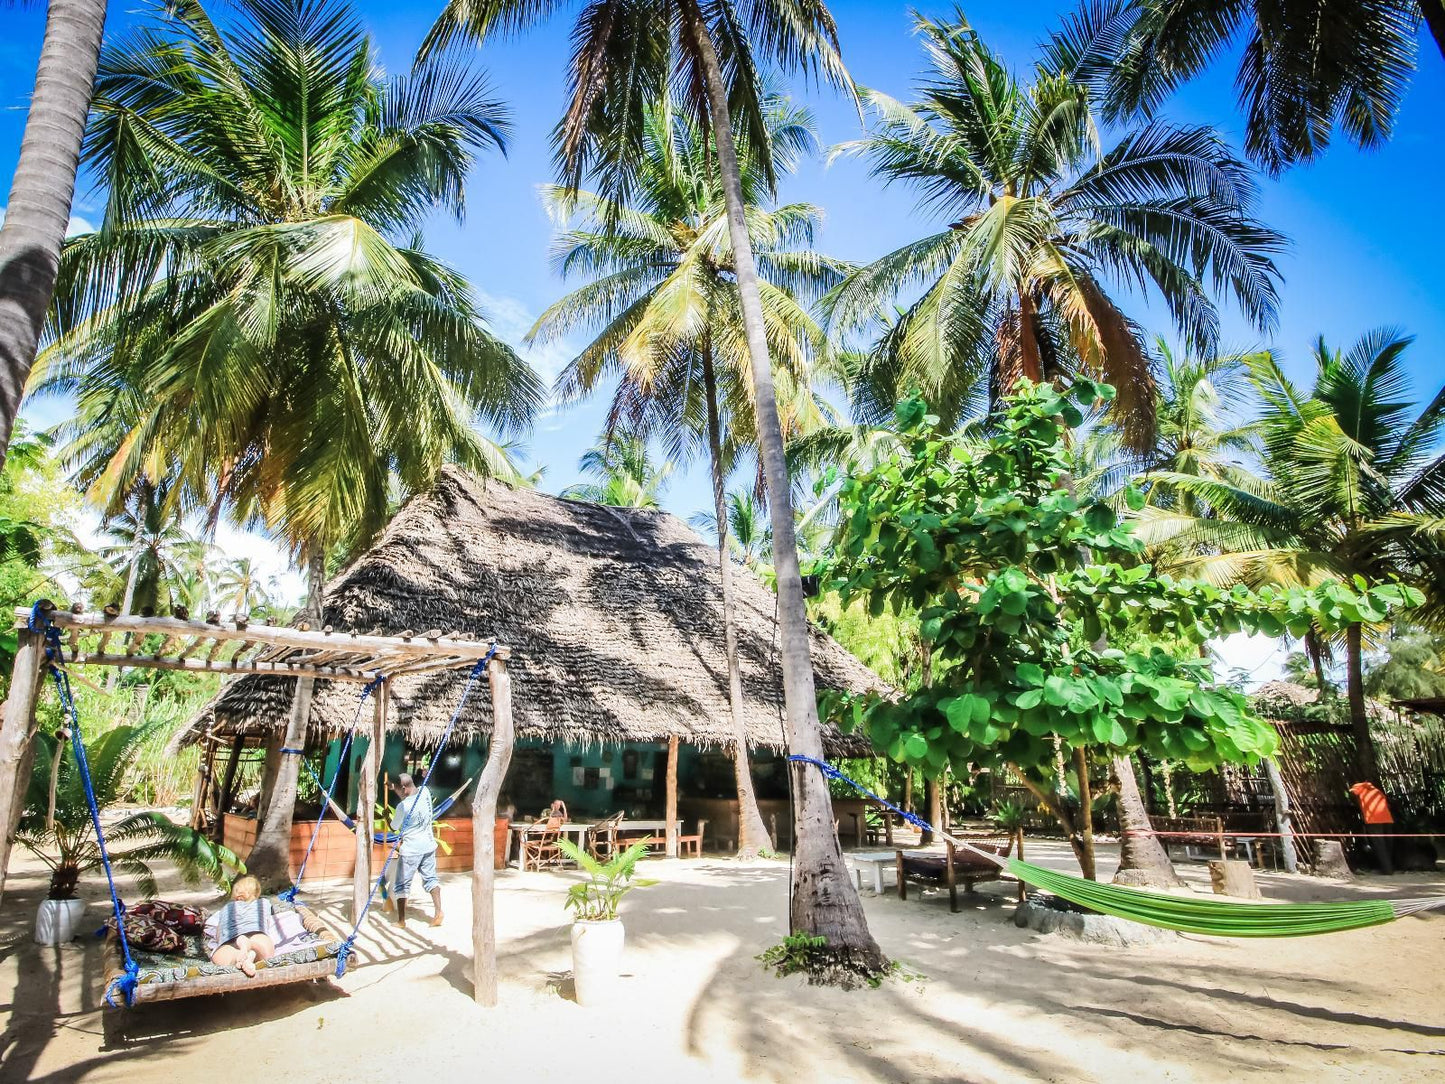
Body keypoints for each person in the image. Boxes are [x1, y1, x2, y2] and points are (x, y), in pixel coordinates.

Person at [391, 772, 444, 926]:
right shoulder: (425, 791)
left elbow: (394, 827)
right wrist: (394, 788)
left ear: (403, 788)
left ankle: (401, 921)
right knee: (431, 879)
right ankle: (438, 911)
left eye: (399, 789)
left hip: (411, 850)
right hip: (428, 845)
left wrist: (388, 816)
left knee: (402, 885)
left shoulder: (403, 806)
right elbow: (408, 797)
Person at [205, 875, 277, 977]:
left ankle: (238, 956)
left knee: (219, 959)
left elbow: (218, 935)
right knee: (267, 954)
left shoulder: (226, 908)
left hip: (230, 940)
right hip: (256, 934)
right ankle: (251, 951)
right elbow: (267, 923)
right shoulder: (263, 903)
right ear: (256, 893)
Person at [1349, 781, 1395, 874]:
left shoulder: (1362, 794)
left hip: (1373, 821)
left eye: (1354, 791)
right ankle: (1389, 866)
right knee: (1388, 844)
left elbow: (1362, 808)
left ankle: (1387, 870)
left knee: (1379, 845)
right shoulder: (1376, 791)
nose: (1353, 793)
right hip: (1387, 819)